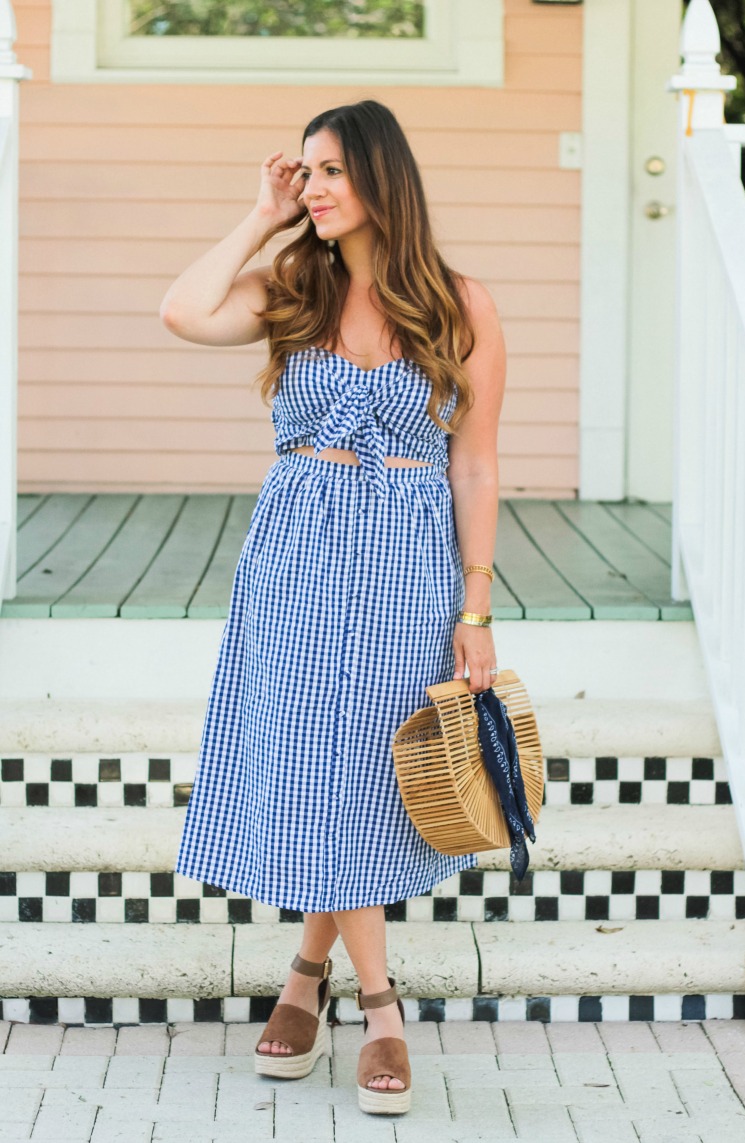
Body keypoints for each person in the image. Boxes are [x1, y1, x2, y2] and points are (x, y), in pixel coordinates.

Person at [162, 99, 505, 1117]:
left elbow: (477, 463)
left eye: (328, 172)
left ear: (381, 179)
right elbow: (182, 312)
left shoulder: (462, 304)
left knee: (359, 766)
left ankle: (307, 976)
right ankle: (381, 1005)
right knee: (318, 761)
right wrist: (258, 218)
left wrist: (476, 610)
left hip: (408, 562)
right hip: (297, 558)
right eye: (303, 172)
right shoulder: (290, 288)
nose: (311, 186)